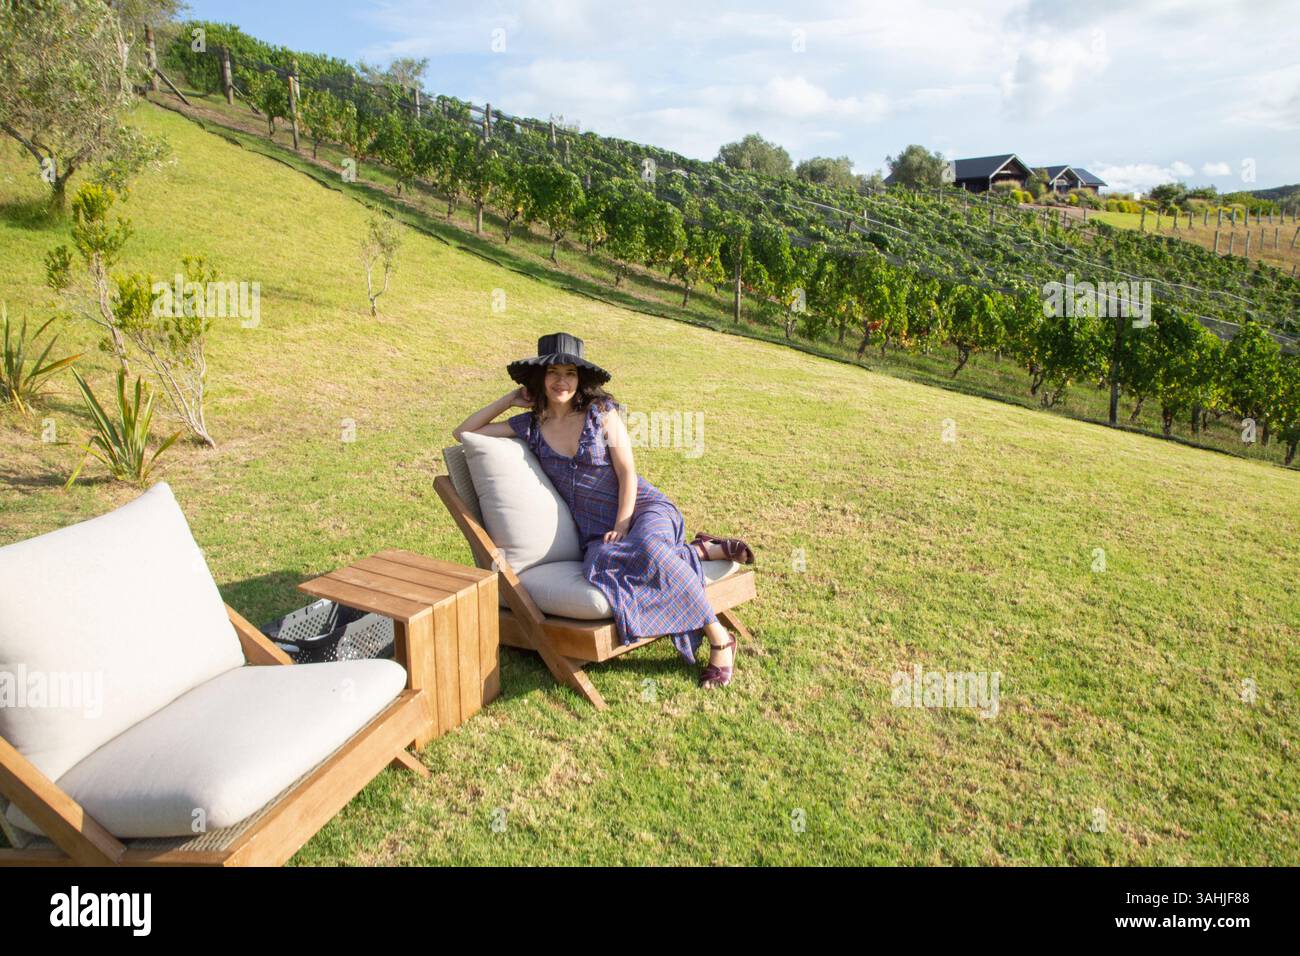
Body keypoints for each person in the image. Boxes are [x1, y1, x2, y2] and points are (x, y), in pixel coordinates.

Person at [453, 332, 754, 688]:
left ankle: (720, 639)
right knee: (604, 565)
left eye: (570, 373)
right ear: (540, 378)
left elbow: (627, 473)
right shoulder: (531, 426)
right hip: (595, 532)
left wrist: (624, 524)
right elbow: (464, 432)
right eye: (552, 373)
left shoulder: (601, 414)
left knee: (649, 549)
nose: (561, 381)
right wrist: (509, 398)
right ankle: (699, 551)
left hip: (641, 509)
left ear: (580, 380)